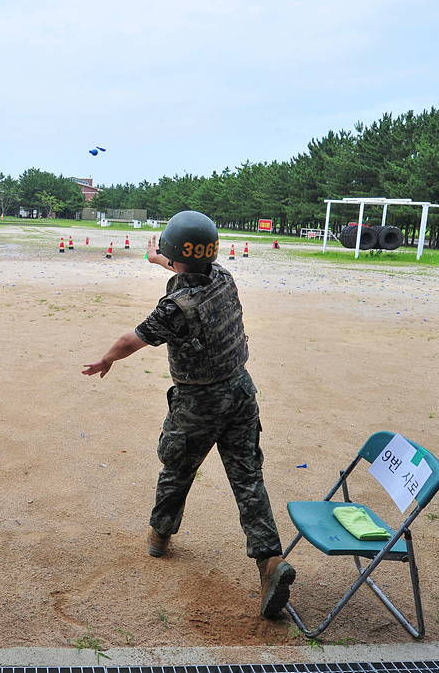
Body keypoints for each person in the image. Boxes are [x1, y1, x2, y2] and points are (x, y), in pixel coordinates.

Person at [83, 210, 294, 618]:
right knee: (248, 475)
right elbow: (188, 266)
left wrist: (106, 359)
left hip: (199, 402)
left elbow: (132, 339)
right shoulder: (222, 277)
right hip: (240, 390)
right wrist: (157, 259)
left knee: (178, 467)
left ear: (176, 255)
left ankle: (160, 536)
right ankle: (269, 562)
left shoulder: (176, 308)